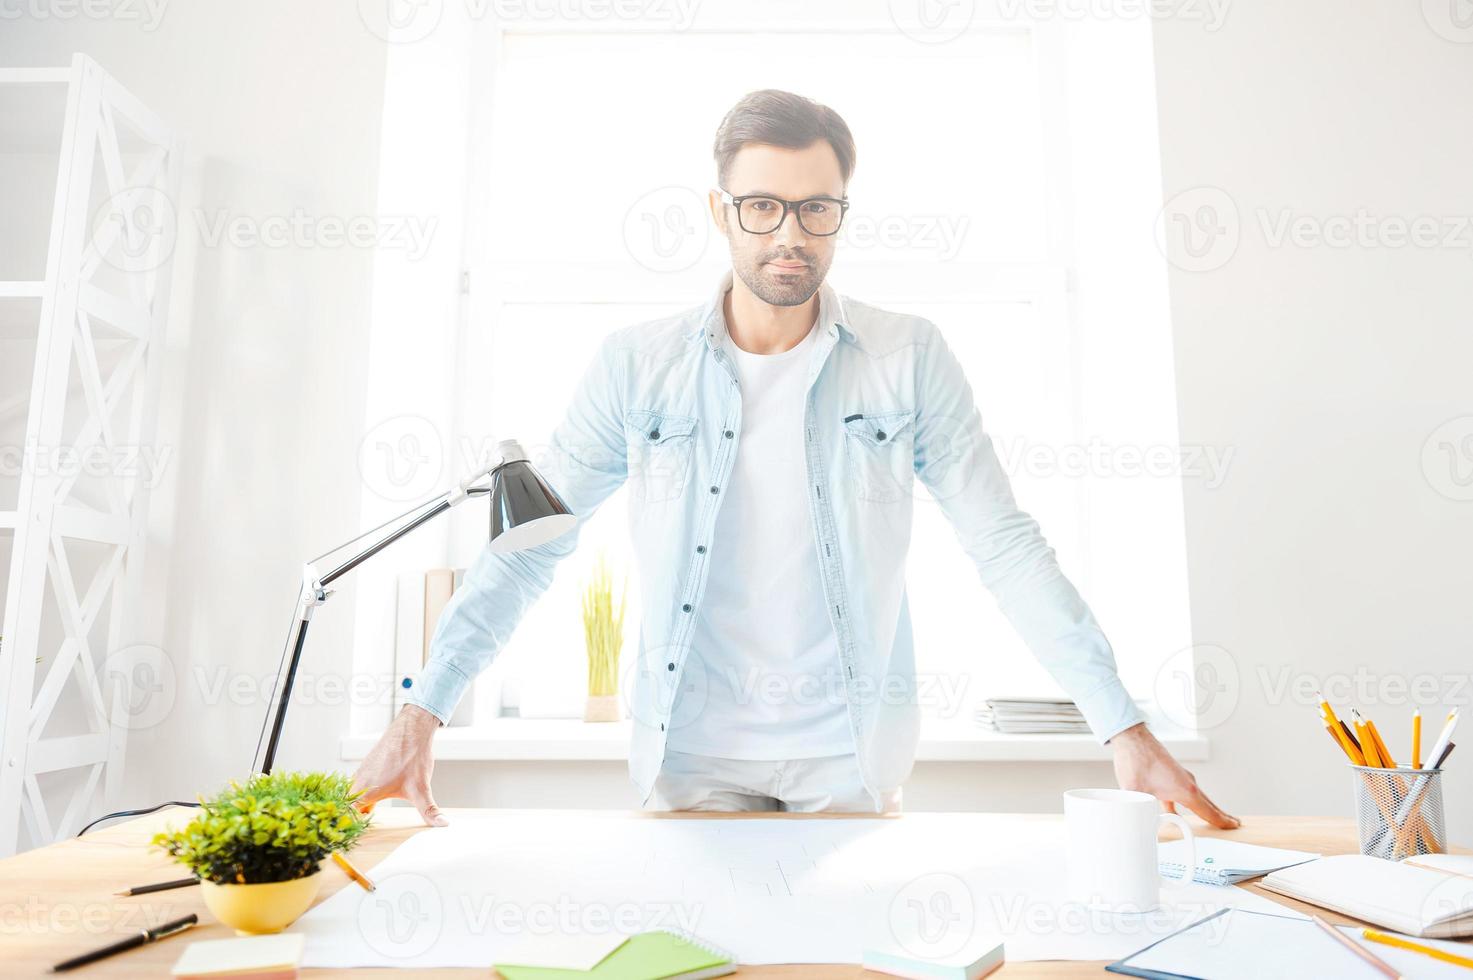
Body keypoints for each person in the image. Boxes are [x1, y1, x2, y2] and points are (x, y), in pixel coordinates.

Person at [352, 89, 1238, 829]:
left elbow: (1002, 543)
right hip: (687, 758)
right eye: (762, 206)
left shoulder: (907, 355)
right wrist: (420, 711)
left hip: (848, 760)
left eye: (817, 207)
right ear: (719, 211)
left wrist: (1122, 724)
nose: (790, 234)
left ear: (841, 211)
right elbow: (532, 548)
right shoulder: (635, 364)